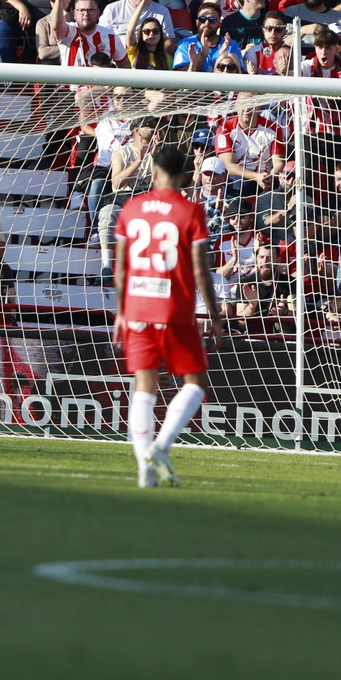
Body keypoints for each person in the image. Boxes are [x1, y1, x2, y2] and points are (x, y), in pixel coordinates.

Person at [112, 142, 223, 488]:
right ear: (185, 175)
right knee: (196, 383)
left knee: (144, 387)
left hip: (137, 306)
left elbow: (120, 267)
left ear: (155, 172)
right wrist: (215, 315)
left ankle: (145, 470)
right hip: (174, 308)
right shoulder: (190, 211)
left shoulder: (131, 207)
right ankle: (160, 447)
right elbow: (201, 271)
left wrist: (120, 312)